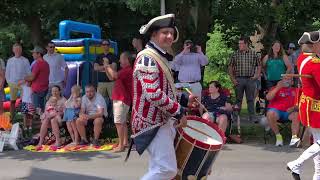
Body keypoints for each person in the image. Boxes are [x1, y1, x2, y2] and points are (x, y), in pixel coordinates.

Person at [130, 14, 197, 180]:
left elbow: (165, 89)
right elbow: (153, 93)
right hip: (151, 122)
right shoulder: (147, 57)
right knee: (166, 170)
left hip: (162, 120)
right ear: (153, 34)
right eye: (165, 32)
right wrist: (179, 111)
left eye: (171, 32)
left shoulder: (158, 55)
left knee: (159, 168)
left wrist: (183, 99)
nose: (169, 36)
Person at [287, 31, 320, 180]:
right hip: (315, 105)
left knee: (318, 141)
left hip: (308, 104)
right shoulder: (314, 63)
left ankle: (318, 175)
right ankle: (297, 163)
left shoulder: (301, 58)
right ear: (313, 45)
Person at [104, 51, 133, 152]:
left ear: (126, 60)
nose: (119, 60)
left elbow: (114, 75)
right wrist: (106, 67)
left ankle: (121, 145)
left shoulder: (127, 70)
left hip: (121, 99)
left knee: (118, 122)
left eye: (121, 58)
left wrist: (107, 65)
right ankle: (124, 142)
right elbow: (111, 77)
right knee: (123, 122)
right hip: (122, 98)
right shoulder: (125, 70)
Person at [228, 37, 261, 123]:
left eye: (241, 44)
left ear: (246, 44)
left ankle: (252, 118)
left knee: (250, 99)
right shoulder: (235, 54)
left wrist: (256, 75)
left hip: (250, 79)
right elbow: (230, 67)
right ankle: (235, 118)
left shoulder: (254, 54)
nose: (240, 45)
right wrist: (233, 79)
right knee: (238, 99)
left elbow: (259, 66)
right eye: (239, 44)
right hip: (239, 79)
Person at [265, 78, 300, 147]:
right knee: (270, 113)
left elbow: (302, 104)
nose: (286, 81)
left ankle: (294, 139)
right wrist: (278, 87)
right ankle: (278, 136)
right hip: (276, 112)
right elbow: (268, 97)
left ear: (292, 82)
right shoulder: (274, 88)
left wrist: (293, 108)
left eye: (289, 79)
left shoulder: (296, 90)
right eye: (285, 79)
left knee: (297, 114)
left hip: (290, 112)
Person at [5, 43, 31, 120]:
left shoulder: (25, 60)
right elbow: (7, 73)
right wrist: (9, 82)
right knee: (12, 101)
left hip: (23, 84)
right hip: (12, 84)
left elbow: (29, 73)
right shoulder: (10, 60)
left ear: (21, 50)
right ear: (13, 50)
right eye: (16, 49)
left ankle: (25, 120)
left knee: (24, 102)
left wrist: (25, 81)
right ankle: (11, 119)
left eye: (19, 49)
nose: (17, 51)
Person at [24, 46, 50, 114]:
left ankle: (38, 123)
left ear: (39, 54)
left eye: (34, 53)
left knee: (35, 111)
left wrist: (24, 77)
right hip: (44, 89)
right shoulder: (46, 63)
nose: (32, 54)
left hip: (37, 90)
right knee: (42, 109)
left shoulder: (37, 64)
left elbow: (32, 78)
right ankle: (42, 123)